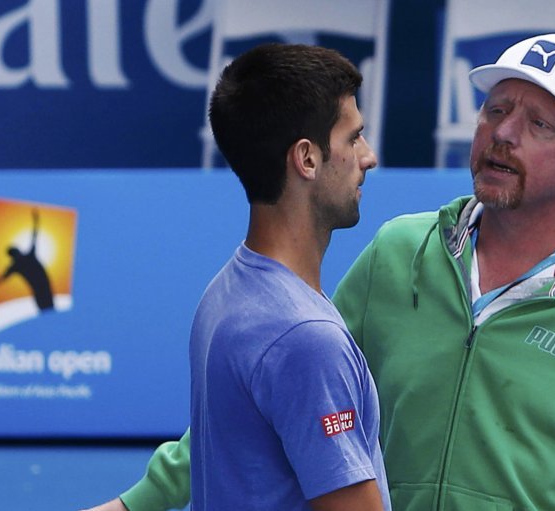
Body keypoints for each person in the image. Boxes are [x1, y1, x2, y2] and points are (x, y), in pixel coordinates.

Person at [83, 33, 555, 511]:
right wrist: (139, 503)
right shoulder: (398, 254)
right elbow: (278, 389)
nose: (503, 134)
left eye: (538, 124)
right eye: (495, 110)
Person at [81, 43, 386, 511]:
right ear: (307, 159)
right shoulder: (307, 339)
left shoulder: (226, 292)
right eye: (354, 138)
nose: (369, 157)